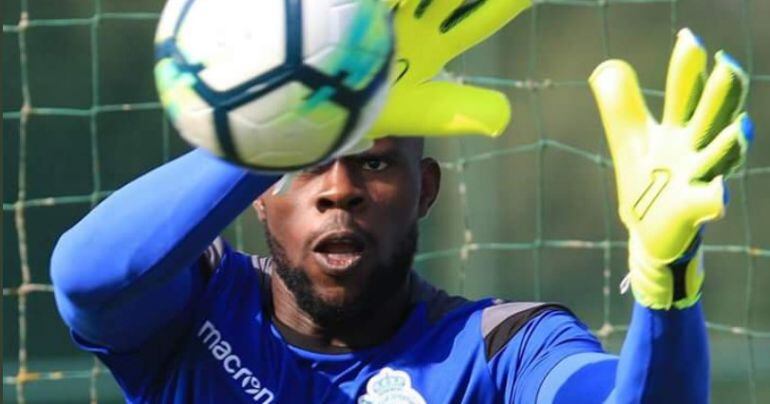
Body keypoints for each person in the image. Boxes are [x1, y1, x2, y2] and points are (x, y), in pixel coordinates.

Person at [51, 1, 753, 403]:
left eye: (376, 161)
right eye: (304, 162)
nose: (340, 187)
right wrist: (281, 119)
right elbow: (87, 278)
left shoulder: (501, 350)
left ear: (426, 190)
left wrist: (667, 281)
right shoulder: (197, 303)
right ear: (260, 194)